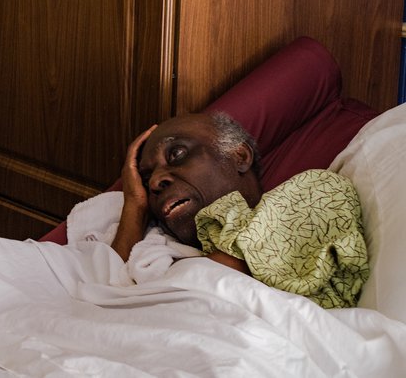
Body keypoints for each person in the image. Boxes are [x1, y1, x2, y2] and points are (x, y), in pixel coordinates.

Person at [111, 111, 370, 308]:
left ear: (239, 156)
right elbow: (105, 289)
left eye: (177, 154)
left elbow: (207, 282)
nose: (155, 182)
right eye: (146, 179)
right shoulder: (156, 245)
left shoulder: (314, 191)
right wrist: (134, 205)